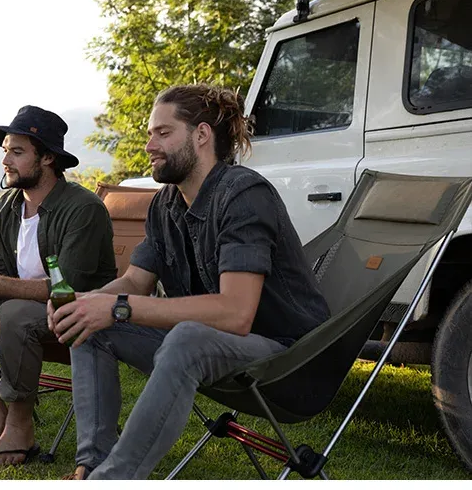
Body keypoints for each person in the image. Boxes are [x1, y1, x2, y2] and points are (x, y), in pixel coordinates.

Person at [51, 84, 331, 481]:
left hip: (287, 362)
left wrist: (117, 307)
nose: (150, 144)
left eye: (163, 133)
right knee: (91, 326)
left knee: (186, 337)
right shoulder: (166, 203)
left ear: (201, 135)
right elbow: (135, 280)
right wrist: (86, 301)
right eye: (150, 133)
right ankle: (92, 464)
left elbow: (235, 313)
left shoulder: (243, 196)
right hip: (217, 354)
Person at [0, 105, 116, 468]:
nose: (6, 161)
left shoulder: (83, 208)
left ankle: (20, 427)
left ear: (47, 158)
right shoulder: (6, 205)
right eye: (5, 152)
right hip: (23, 317)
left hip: (79, 316)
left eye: (17, 152)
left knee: (13, 313)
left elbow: (70, 287)